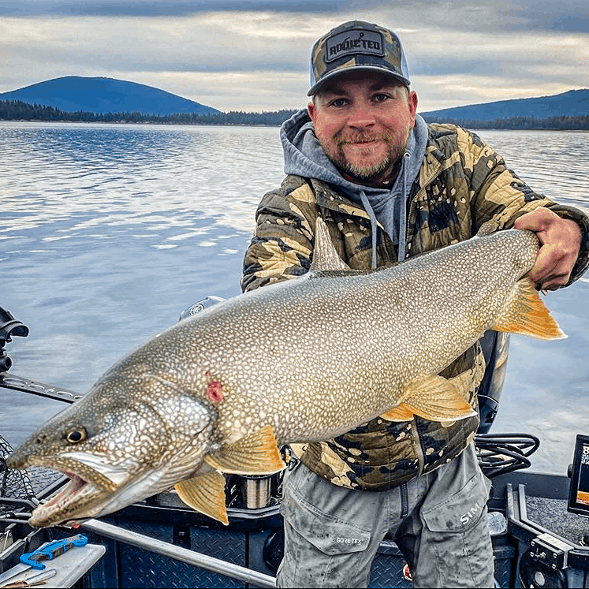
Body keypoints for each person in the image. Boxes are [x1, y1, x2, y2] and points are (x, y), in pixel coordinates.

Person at [241, 20, 589, 588]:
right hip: (338, 473)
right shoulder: (289, 209)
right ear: (313, 113)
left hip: (450, 456)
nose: (361, 118)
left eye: (380, 96)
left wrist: (570, 230)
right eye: (338, 101)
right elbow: (267, 302)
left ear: (411, 103)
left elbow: (528, 217)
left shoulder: (459, 161)